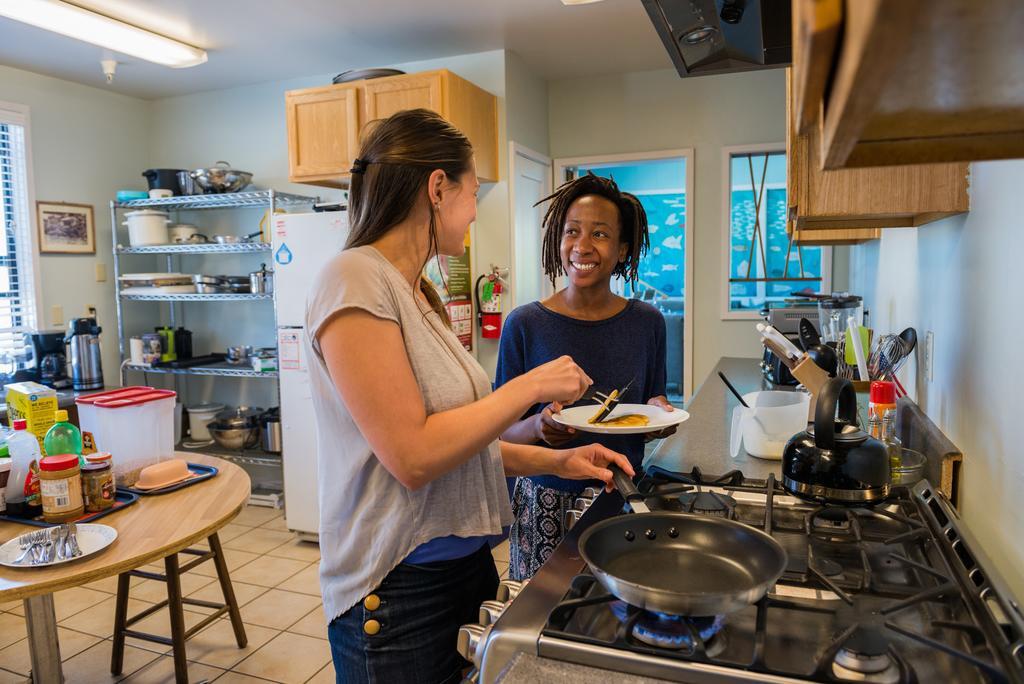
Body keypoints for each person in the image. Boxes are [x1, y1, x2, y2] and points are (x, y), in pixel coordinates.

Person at [305, 110, 634, 684]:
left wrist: (556, 461)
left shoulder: (416, 291)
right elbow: (413, 456)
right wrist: (529, 387)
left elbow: (456, 441)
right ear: (438, 188)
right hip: (398, 592)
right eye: (474, 191)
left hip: (462, 573)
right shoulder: (353, 279)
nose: (476, 209)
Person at [495, 172, 675, 581]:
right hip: (545, 501)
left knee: (613, 618)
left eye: (600, 234)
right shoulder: (524, 325)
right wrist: (541, 426)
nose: (582, 246)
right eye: (572, 231)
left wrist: (657, 414)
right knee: (539, 620)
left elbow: (651, 401)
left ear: (623, 249)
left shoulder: (648, 323)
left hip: (624, 497)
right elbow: (500, 436)